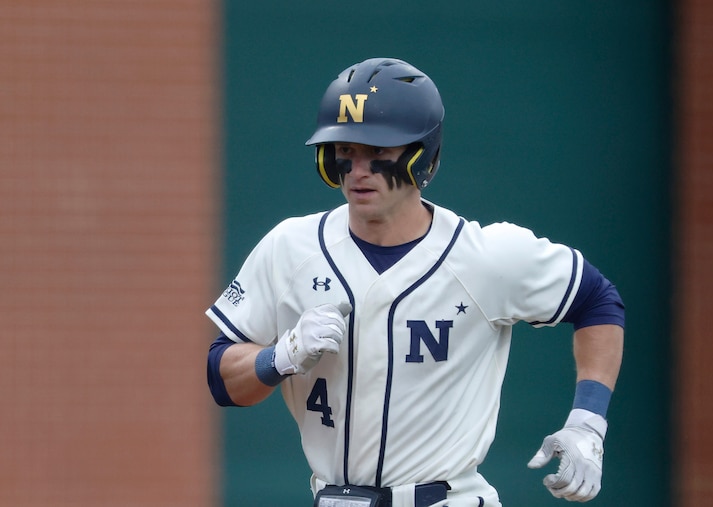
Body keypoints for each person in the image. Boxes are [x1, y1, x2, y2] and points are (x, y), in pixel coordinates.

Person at [205, 57, 624, 507]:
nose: (359, 168)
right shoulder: (290, 248)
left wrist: (587, 422)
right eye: (345, 150)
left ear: (424, 156)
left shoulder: (486, 256)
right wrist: (279, 356)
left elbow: (597, 300)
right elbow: (222, 380)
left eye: (379, 152)